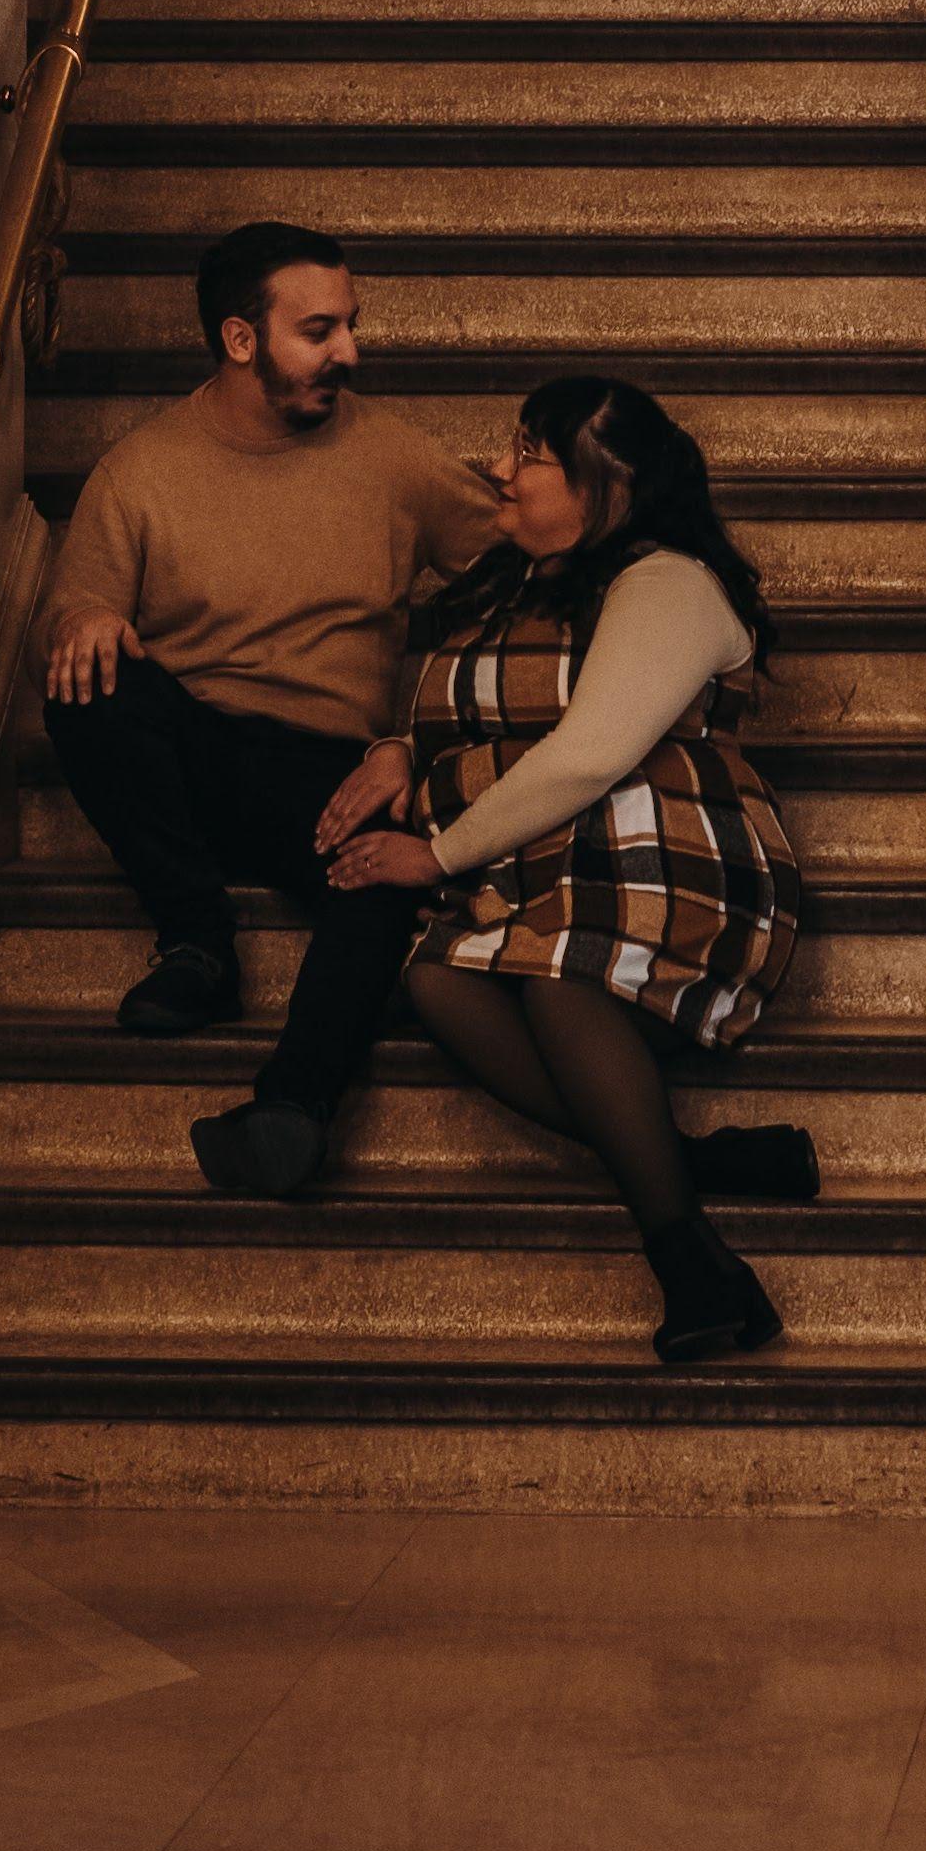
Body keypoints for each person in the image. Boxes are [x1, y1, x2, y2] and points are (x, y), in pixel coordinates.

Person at [194, 373, 818, 1368]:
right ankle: (691, 1158)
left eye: (531, 453)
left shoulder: (665, 581)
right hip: (548, 869)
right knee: (439, 980)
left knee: (557, 979)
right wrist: (399, 749)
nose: (499, 467)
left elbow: (586, 752)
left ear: (608, 485)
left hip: (671, 855)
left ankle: (692, 1262)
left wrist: (437, 851)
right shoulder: (514, 586)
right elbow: (480, 717)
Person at [36, 220, 504, 1046]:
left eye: (350, 324)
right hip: (192, 764)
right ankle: (196, 945)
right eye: (319, 331)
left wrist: (410, 741)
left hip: (332, 776)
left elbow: (524, 579)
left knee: (386, 877)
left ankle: (300, 1088)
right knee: (90, 685)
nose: (349, 352)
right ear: (240, 339)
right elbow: (73, 613)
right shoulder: (139, 469)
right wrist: (87, 619)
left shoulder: (395, 458)